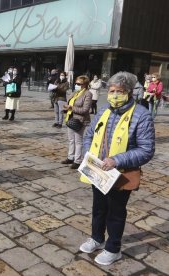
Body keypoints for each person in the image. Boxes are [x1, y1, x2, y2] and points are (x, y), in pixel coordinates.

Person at [79, 71, 155, 265]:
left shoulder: (141, 115)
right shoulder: (104, 110)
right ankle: (97, 238)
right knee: (98, 208)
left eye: (119, 91)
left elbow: (146, 150)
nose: (114, 94)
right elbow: (89, 135)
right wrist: (90, 155)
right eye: (111, 90)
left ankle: (113, 248)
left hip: (121, 174)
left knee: (115, 212)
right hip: (98, 171)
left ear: (128, 92)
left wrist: (117, 160)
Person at [62, 75, 92, 169]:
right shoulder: (75, 92)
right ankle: (70, 157)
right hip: (70, 118)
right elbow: (69, 102)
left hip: (80, 120)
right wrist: (66, 108)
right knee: (71, 140)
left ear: (85, 84)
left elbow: (85, 109)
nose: (76, 85)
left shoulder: (88, 94)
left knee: (78, 141)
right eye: (76, 83)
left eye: (79, 84)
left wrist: (71, 108)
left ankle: (77, 160)